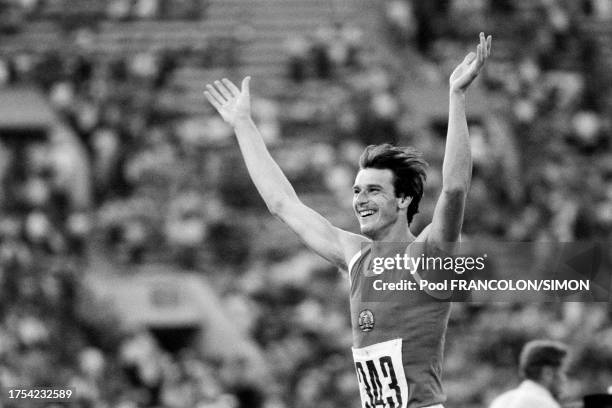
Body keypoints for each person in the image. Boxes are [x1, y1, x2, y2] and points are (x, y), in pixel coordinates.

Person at [205, 33, 492, 408]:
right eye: (357, 191)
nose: (360, 200)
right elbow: (282, 203)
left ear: (404, 199)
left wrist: (455, 97)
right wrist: (243, 124)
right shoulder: (355, 254)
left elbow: (454, 189)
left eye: (373, 190)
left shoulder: (426, 256)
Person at [489, 340, 570, 408]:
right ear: (547, 373)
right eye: (562, 372)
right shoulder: (544, 404)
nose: (564, 379)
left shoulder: (500, 401)